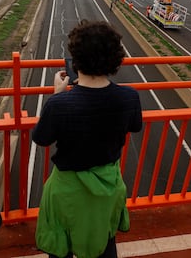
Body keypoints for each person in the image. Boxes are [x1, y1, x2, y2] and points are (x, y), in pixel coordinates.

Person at [32, 20, 143, 258]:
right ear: (115, 59)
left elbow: (41, 138)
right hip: (108, 186)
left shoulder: (60, 104)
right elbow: (135, 126)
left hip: (67, 192)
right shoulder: (130, 97)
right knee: (103, 241)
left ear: (75, 59)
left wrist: (56, 96)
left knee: (61, 247)